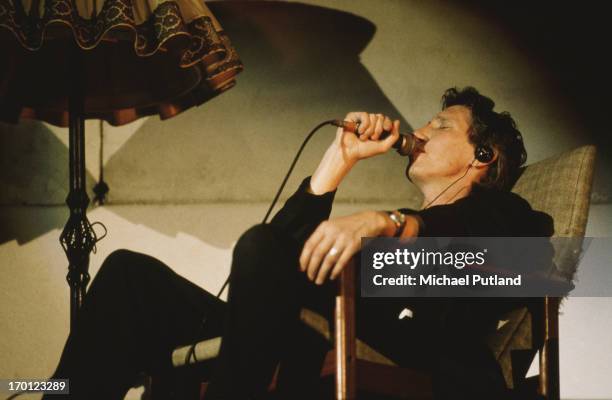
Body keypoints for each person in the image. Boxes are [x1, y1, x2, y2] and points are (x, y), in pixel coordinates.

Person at [44, 87, 552, 400]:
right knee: (131, 275)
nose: (418, 131)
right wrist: (338, 163)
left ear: (481, 155)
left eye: (440, 126)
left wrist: (392, 222)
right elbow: (274, 255)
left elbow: (521, 255)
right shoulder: (400, 229)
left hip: (399, 352)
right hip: (291, 332)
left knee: (266, 247)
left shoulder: (508, 217)